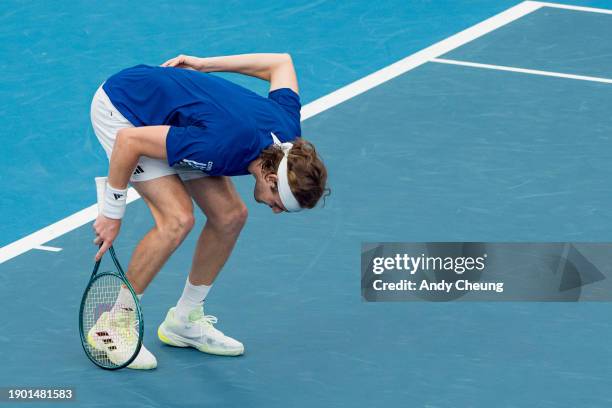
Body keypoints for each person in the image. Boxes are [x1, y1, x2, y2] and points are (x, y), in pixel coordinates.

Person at [89, 53, 329, 369]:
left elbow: (280, 64)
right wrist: (111, 211)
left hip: (184, 123)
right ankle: (113, 323)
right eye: (278, 204)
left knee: (230, 216)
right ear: (271, 178)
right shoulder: (220, 146)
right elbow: (129, 141)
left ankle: (185, 320)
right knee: (176, 219)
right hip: (124, 109)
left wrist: (205, 65)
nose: (274, 211)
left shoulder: (286, 134)